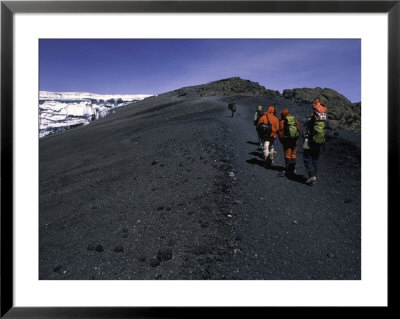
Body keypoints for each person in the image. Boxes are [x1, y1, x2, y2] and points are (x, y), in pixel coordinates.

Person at [303, 98, 328, 185]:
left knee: (307, 158)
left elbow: (307, 128)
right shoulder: (323, 120)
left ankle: (311, 176)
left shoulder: (312, 119)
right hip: (319, 142)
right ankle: (314, 177)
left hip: (309, 142)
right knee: (315, 159)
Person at [278, 108, 301, 178]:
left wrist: (282, 141)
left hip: (287, 141)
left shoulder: (282, 122)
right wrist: (297, 138)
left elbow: (281, 133)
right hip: (295, 139)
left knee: (288, 153)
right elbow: (299, 129)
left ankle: (288, 170)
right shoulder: (294, 120)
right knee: (293, 153)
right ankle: (293, 169)